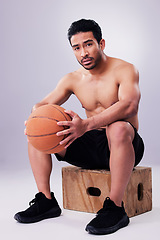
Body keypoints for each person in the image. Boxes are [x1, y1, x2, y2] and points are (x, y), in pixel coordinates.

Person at [14, 19, 144, 235]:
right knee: (37, 132)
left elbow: (129, 105)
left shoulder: (125, 69)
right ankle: (46, 201)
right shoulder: (73, 79)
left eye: (89, 44)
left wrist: (87, 124)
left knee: (118, 127)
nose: (84, 52)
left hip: (123, 144)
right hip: (90, 142)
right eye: (77, 47)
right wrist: (35, 115)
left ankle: (115, 208)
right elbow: (41, 104)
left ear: (101, 43)